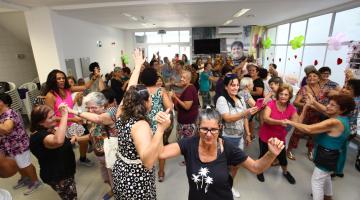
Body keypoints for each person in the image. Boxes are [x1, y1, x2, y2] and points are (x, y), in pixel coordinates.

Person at [159, 108, 285, 200]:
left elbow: (256, 168)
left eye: (213, 129)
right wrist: (160, 129)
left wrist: (271, 154)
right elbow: (161, 153)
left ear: (220, 128)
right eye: (204, 129)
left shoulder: (228, 148)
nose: (208, 134)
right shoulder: (188, 144)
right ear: (198, 127)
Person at [285, 95, 355, 200]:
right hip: (332, 153)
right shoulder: (342, 118)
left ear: (342, 109)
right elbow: (325, 110)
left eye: (333, 105)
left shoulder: (334, 122)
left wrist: (290, 122)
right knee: (325, 176)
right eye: (329, 103)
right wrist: (313, 102)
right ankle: (328, 196)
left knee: (317, 182)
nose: (328, 106)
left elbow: (309, 129)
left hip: (327, 155)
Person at [111, 84, 171, 200]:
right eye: (149, 97)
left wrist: (137, 68)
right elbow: (148, 163)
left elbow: (130, 90)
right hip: (136, 177)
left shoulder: (121, 115)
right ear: (145, 101)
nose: (151, 99)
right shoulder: (140, 125)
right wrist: (160, 129)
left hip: (121, 171)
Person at [68, 90, 117, 200]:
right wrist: (78, 138)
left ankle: (117, 193)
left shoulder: (109, 114)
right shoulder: (93, 119)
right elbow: (92, 136)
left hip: (111, 157)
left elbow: (99, 120)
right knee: (106, 178)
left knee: (116, 180)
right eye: (88, 108)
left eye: (94, 107)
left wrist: (71, 111)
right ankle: (113, 190)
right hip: (100, 157)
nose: (90, 111)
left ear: (103, 105)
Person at [216, 74, 258, 197]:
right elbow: (228, 118)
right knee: (223, 165)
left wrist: (248, 134)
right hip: (226, 138)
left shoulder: (239, 99)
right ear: (226, 87)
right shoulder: (222, 100)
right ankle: (219, 188)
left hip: (239, 138)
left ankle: (229, 186)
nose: (235, 87)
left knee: (236, 165)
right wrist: (245, 112)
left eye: (237, 85)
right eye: (232, 85)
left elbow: (245, 118)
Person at [44, 69, 96, 166]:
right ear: (53, 80)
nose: (62, 80)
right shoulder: (50, 96)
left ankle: (82, 158)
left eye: (63, 78)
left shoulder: (68, 89)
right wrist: (72, 119)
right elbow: (51, 117)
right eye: (58, 78)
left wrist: (94, 78)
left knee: (84, 141)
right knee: (65, 149)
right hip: (60, 127)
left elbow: (85, 87)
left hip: (72, 122)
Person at [29, 104, 77, 200]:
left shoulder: (49, 129)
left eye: (54, 115)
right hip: (58, 176)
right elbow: (58, 141)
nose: (55, 118)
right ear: (41, 123)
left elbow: (59, 146)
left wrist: (72, 140)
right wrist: (64, 115)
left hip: (64, 171)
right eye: (51, 117)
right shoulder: (39, 136)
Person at [256, 84, 298, 184]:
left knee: (283, 158)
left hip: (280, 138)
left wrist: (294, 120)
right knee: (263, 155)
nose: (283, 96)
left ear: (290, 96)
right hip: (266, 136)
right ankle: (259, 170)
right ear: (278, 95)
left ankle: (285, 172)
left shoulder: (291, 108)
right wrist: (281, 122)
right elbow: (266, 118)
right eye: (281, 94)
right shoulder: (271, 104)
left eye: (286, 94)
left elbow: (296, 121)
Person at [0, 93, 41, 195]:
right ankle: (25, 178)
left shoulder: (10, 113)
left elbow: (6, 128)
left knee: (25, 164)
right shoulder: (1, 113)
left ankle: (35, 181)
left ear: (3, 102)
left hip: (19, 145)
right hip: (9, 146)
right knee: (18, 164)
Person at [140, 67, 173, 182]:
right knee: (160, 148)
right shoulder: (161, 90)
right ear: (155, 78)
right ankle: (161, 172)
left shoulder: (139, 90)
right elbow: (170, 107)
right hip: (158, 123)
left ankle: (146, 170)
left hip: (143, 123)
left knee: (143, 147)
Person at [288, 69, 327, 161]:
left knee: (314, 134)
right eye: (309, 76)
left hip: (317, 114)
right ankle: (289, 150)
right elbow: (295, 102)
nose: (312, 78)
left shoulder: (323, 90)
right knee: (298, 133)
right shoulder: (304, 88)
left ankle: (310, 150)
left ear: (319, 78)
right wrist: (307, 105)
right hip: (305, 114)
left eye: (314, 76)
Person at [171, 70, 200, 140]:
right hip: (187, 121)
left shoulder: (189, 89)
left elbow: (187, 107)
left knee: (186, 144)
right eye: (181, 77)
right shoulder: (188, 87)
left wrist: (175, 97)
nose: (181, 79)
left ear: (189, 79)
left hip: (187, 123)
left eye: (184, 77)